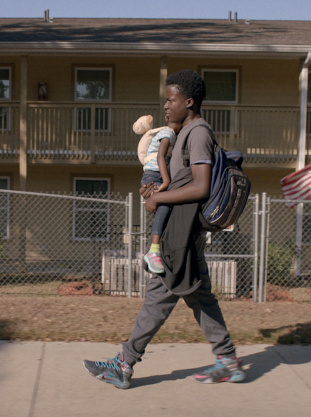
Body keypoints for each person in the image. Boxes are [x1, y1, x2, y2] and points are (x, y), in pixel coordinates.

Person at [82, 69, 244, 389]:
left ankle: (124, 364)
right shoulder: (183, 133)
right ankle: (228, 361)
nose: (166, 106)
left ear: (189, 101)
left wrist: (159, 199)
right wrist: (155, 190)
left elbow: (200, 186)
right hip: (181, 231)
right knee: (200, 297)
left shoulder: (198, 133)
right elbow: (179, 182)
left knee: (158, 297)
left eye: (171, 100)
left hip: (180, 235)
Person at [140, 119, 182, 274]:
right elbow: (160, 157)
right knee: (164, 206)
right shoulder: (168, 133)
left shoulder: (167, 133)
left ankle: (156, 250)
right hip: (155, 176)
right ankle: (154, 250)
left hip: (152, 175)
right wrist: (166, 181)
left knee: (163, 210)